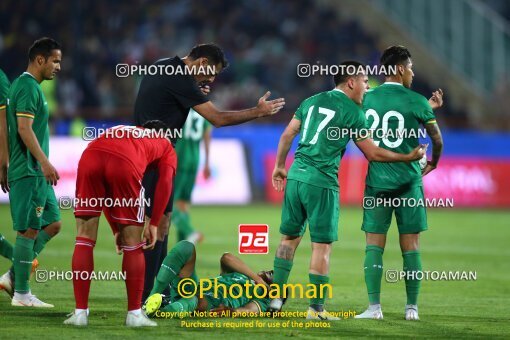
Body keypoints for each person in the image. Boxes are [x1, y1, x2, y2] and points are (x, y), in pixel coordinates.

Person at [268, 61, 427, 320]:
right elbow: (373, 153)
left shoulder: (311, 101)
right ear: (351, 82)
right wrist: (407, 156)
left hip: (296, 176)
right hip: (321, 183)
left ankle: (275, 302)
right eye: (364, 81)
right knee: (321, 246)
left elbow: (287, 135)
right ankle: (316, 310)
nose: (367, 87)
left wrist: (278, 166)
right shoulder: (353, 112)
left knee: (288, 239)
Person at [134, 43, 285, 302]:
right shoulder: (180, 77)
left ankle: (160, 287)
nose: (212, 79)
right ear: (201, 60)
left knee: (164, 221)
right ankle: (147, 293)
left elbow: (168, 100)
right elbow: (218, 118)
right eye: (211, 72)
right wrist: (258, 112)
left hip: (151, 153)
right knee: (153, 225)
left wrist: (195, 90)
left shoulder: (162, 65)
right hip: (152, 156)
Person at [355, 46, 444, 321]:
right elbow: (437, 140)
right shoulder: (416, 100)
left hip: (377, 183)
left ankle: (374, 309)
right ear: (400, 69)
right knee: (412, 247)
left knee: (373, 246)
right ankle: (412, 309)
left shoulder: (365, 97)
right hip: (408, 182)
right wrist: (433, 163)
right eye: (411, 68)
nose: (413, 73)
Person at [64, 121, 177, 327]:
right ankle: (134, 315)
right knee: (133, 244)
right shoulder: (167, 145)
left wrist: (116, 228)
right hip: (125, 162)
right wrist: (154, 223)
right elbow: (165, 182)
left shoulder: (128, 130)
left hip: (90, 156)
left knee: (84, 237)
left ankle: (80, 313)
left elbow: (108, 190)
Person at [0, 38, 62, 307]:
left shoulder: (30, 87)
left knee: (53, 223)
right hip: (29, 171)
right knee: (28, 232)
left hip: (35, 173)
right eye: (55, 61)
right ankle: (22, 294)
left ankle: (13, 275)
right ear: (40, 60)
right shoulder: (26, 87)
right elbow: (23, 130)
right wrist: (45, 162)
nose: (58, 66)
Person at [143, 241, 273, 316]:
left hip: (209, 301)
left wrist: (231, 311)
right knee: (186, 247)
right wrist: (257, 278)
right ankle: (149, 301)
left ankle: (161, 312)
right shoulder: (243, 274)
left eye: (272, 275)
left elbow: (250, 310)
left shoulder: (263, 298)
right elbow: (226, 258)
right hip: (193, 287)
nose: (270, 271)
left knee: (197, 300)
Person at [172, 108, 212, 244]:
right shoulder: (203, 111)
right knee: (182, 203)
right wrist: (207, 163)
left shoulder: (180, 109)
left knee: (169, 202)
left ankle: (190, 232)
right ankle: (183, 245)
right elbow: (207, 136)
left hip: (179, 158)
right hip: (194, 160)